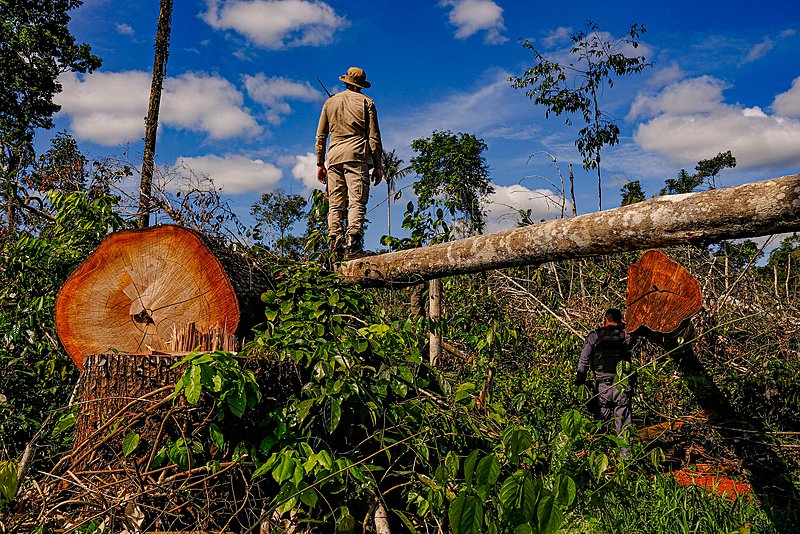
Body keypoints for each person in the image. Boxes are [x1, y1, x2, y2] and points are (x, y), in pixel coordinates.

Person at [315, 66, 383, 258]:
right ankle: (353, 244)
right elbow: (374, 138)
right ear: (361, 85)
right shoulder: (367, 103)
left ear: (345, 81)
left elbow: (321, 136)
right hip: (357, 156)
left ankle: (334, 244)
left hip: (334, 158)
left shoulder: (330, 103)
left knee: (335, 203)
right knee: (356, 201)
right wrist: (378, 165)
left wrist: (320, 163)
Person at [575, 308, 636, 456]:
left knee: (599, 426)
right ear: (620, 320)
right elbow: (634, 331)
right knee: (624, 427)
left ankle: (597, 460)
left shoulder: (595, 336)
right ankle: (625, 463)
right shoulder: (625, 336)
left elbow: (583, 361)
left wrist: (580, 381)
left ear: (605, 320)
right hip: (621, 386)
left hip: (602, 387)